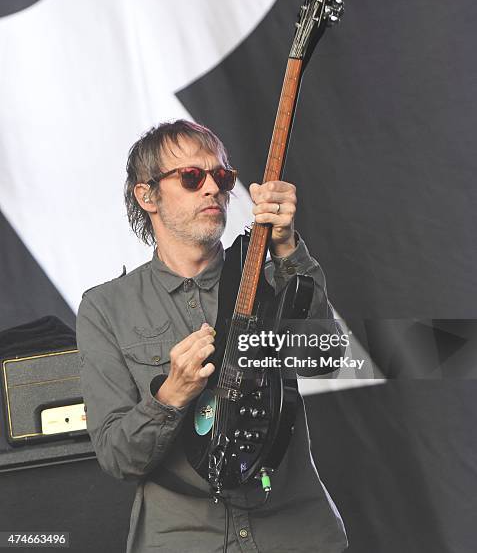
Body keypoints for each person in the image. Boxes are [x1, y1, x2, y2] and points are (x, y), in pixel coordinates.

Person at [76, 120, 348, 553]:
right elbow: (118, 457)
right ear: (147, 196)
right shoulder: (105, 308)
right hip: (182, 539)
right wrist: (170, 395)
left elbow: (326, 357)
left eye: (221, 177)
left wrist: (287, 247)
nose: (212, 189)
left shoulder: (271, 270)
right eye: (191, 177)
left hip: (296, 533)